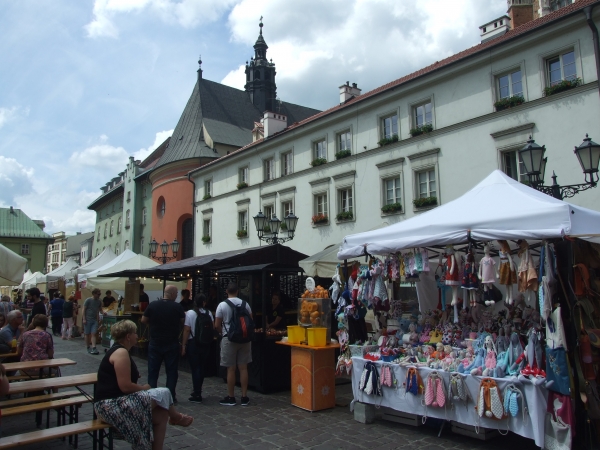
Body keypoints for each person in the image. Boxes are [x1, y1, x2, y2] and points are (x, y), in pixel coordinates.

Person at [94, 320, 193, 450]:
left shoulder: (120, 351)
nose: (137, 335)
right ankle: (176, 417)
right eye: (135, 333)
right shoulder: (121, 353)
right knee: (163, 392)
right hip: (110, 406)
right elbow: (125, 386)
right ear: (128, 337)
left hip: (116, 402)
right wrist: (144, 388)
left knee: (162, 414)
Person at [141, 285, 185, 402]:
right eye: (176, 293)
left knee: (153, 370)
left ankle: (152, 396)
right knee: (171, 371)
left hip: (155, 341)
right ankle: (170, 397)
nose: (177, 295)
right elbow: (182, 322)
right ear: (171, 294)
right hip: (171, 342)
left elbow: (143, 320)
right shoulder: (177, 307)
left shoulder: (153, 305)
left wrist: (154, 323)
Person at [214, 282, 252, 406]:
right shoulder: (245, 304)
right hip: (245, 339)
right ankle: (244, 396)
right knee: (243, 368)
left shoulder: (222, 305)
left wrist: (223, 333)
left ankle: (231, 397)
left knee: (231, 369)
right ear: (237, 291)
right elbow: (250, 321)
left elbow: (216, 324)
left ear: (227, 291)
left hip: (228, 338)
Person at [181, 293, 214, 403]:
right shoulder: (209, 312)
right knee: (202, 367)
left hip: (193, 343)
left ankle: (197, 392)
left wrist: (183, 345)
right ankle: (198, 390)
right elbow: (212, 328)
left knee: (195, 368)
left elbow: (186, 330)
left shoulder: (190, 313)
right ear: (204, 302)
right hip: (205, 343)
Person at [83, 288, 103, 355]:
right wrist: (84, 319)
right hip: (87, 319)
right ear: (94, 294)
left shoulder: (99, 301)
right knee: (87, 334)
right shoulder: (88, 300)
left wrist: (103, 313)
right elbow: (84, 310)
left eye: (100, 294)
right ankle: (88, 347)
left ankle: (94, 347)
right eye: (98, 294)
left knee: (93, 333)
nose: (99, 295)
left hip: (94, 320)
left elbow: (100, 309)